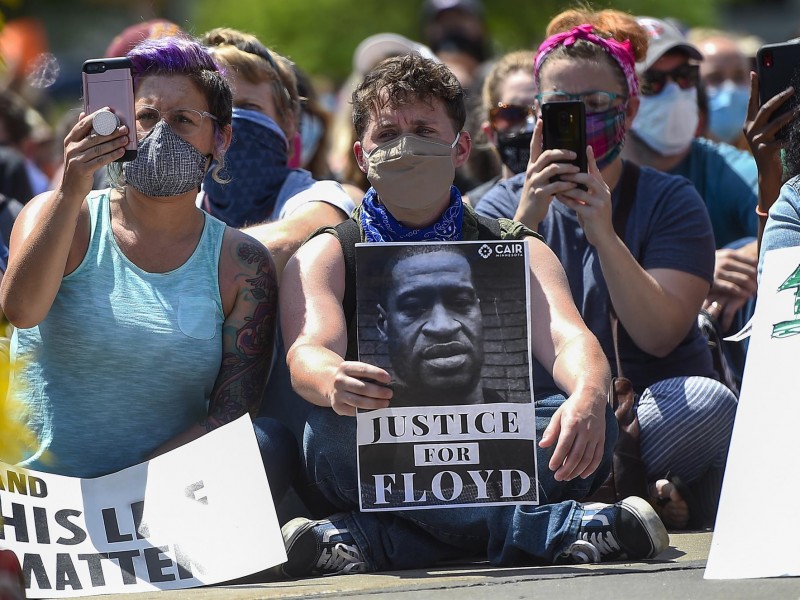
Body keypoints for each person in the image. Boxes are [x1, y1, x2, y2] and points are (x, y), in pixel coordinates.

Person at [276, 52, 668, 578]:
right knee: (326, 436)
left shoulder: (518, 247)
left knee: (585, 419)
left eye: (423, 129)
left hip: (496, 442)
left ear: (461, 146)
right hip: (378, 442)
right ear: (361, 154)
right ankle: (558, 530)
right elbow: (307, 352)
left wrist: (588, 395)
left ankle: (373, 540)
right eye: (387, 133)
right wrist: (332, 380)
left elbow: (570, 339)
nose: (404, 145)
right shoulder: (327, 252)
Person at [0, 36, 296, 504]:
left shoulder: (240, 266)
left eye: (183, 120)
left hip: (157, 499)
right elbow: (21, 310)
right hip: (42, 505)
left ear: (221, 138)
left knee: (265, 443)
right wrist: (72, 188)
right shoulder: (61, 217)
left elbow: (231, 415)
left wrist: (124, 495)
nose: (161, 134)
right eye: (147, 118)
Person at [477, 9, 739, 530]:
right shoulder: (491, 208)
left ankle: (567, 501)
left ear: (630, 109)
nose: (580, 121)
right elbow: (480, 337)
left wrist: (603, 232)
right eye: (559, 109)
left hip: (641, 414)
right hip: (540, 418)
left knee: (708, 405)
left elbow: (660, 334)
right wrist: (526, 219)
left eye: (596, 105)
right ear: (537, 114)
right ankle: (612, 498)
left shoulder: (672, 200)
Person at [622, 17, 759, 346]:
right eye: (653, 81)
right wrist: (695, 270)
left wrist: (746, 262)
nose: (675, 91)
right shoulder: (587, 178)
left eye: (684, 76)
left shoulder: (725, 166)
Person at [199, 28, 355, 278]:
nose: (231, 124)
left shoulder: (320, 196)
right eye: (217, 108)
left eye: (249, 107)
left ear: (288, 122)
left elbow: (288, 241)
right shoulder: (185, 205)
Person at [370, 247, 499, 407]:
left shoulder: (526, 421)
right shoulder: (361, 427)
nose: (442, 327)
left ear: (481, 314)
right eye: (413, 307)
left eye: (461, 302)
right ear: (384, 326)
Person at [465, 49, 536, 206]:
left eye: (542, 112)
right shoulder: (467, 215)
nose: (532, 125)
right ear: (490, 133)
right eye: (511, 114)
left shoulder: (588, 206)